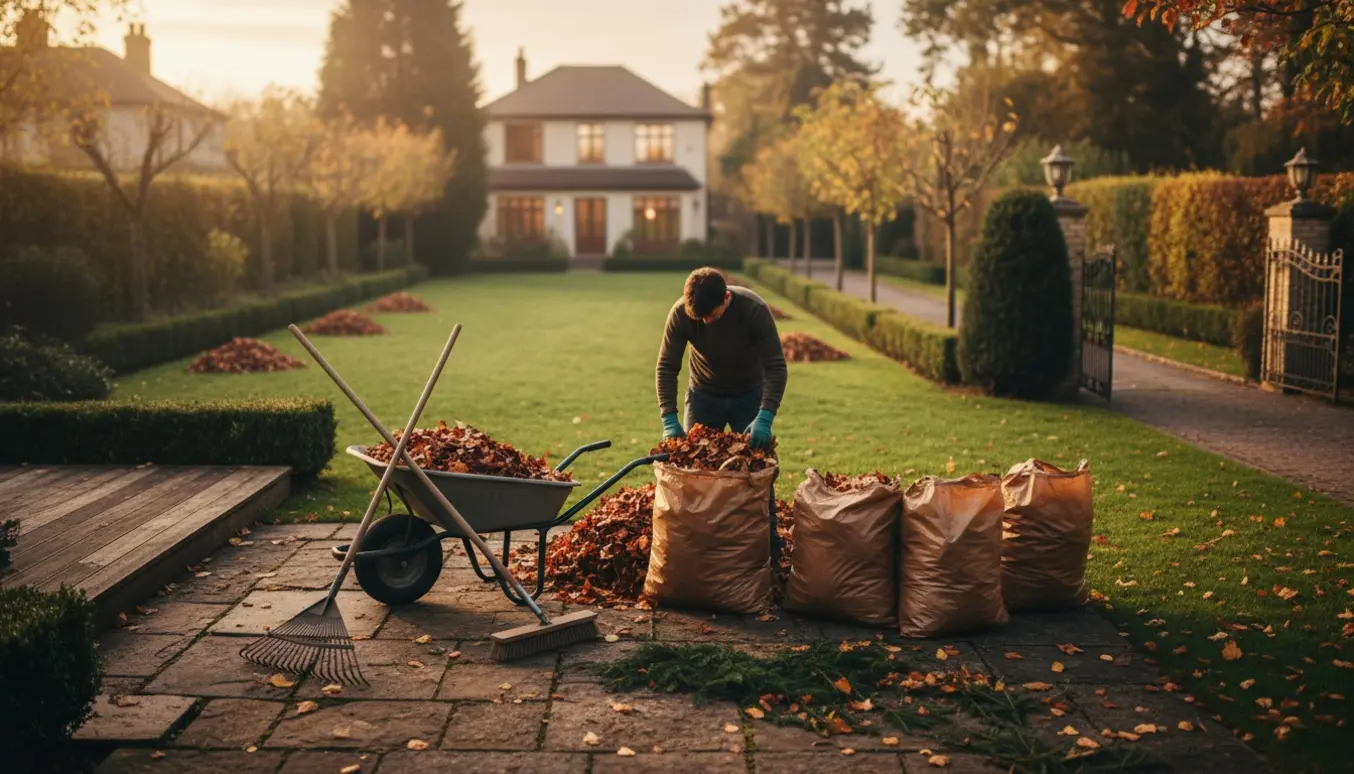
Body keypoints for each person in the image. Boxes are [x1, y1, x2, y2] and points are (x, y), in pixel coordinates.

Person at [654, 267, 787, 563]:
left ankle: (769, 547)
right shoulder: (681, 314)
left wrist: (765, 415)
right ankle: (700, 549)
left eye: (711, 316)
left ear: (726, 297)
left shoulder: (754, 310)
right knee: (696, 475)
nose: (706, 323)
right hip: (704, 396)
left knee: (757, 474)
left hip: (748, 395)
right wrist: (668, 417)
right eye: (699, 318)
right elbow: (667, 367)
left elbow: (776, 367)